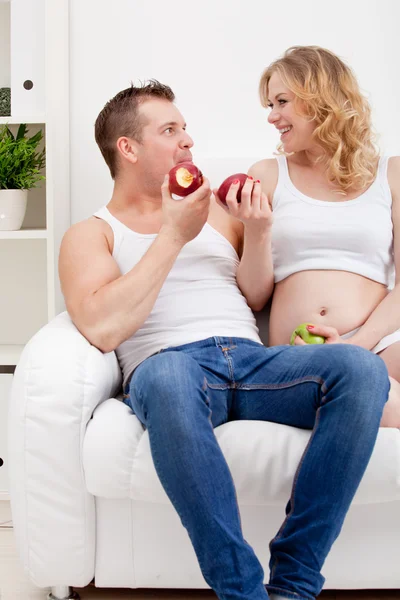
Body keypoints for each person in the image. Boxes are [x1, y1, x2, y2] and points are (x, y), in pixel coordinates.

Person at [58, 80, 390, 600]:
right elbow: (102, 327)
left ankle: (296, 578)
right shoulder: (92, 233)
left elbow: (256, 298)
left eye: (186, 128)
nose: (188, 141)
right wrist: (172, 233)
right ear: (128, 148)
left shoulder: (216, 213)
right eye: (170, 130)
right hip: (172, 368)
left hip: (254, 363)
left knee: (360, 369)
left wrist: (256, 231)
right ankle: (240, 589)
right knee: (167, 375)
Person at [227, 45, 400, 428]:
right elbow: (255, 297)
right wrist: (256, 230)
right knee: (380, 401)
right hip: (299, 352)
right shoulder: (268, 175)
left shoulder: (393, 174)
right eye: (269, 105)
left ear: (320, 99)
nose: (272, 117)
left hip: (380, 342)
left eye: (282, 102)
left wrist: (356, 347)